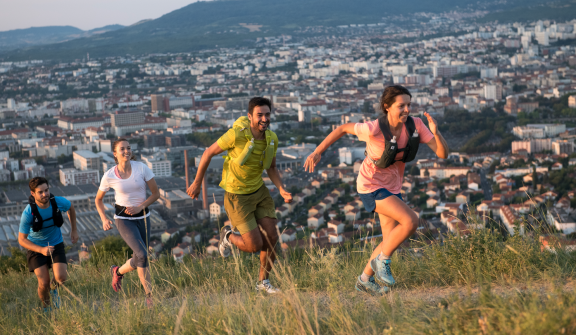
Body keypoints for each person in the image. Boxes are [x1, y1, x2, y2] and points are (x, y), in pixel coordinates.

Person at [304, 85, 449, 295]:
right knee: (411, 221)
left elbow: (442, 153)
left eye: (409, 104)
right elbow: (342, 128)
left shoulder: (415, 125)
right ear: (387, 107)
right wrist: (317, 151)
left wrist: (436, 133)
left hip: (392, 187)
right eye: (401, 105)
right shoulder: (374, 128)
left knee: (389, 240)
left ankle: (364, 280)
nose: (407, 109)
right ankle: (383, 261)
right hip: (370, 185)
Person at [187, 97, 292, 294]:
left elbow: (271, 167)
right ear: (250, 116)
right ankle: (227, 236)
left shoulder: (271, 139)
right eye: (259, 115)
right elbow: (208, 153)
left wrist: (281, 188)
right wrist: (196, 182)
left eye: (267, 114)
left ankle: (263, 282)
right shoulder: (236, 135)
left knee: (272, 238)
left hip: (259, 191)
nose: (264, 119)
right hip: (237, 196)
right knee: (254, 246)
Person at [95, 138, 160, 308]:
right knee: (143, 255)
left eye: (129, 148)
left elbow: (155, 194)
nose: (127, 151)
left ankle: (117, 271)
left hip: (143, 217)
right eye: (122, 149)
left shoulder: (142, 168)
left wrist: (141, 207)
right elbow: (98, 200)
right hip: (123, 219)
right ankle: (149, 297)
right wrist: (104, 218)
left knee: (139, 257)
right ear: (115, 154)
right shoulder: (109, 175)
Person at [18, 177, 78, 312]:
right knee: (43, 282)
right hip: (36, 248)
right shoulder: (28, 213)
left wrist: (74, 230)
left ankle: (54, 288)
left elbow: (71, 207)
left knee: (61, 278)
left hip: (56, 243)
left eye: (47, 190)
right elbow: (22, 240)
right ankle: (47, 308)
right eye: (40, 192)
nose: (45, 194)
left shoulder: (57, 202)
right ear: (32, 193)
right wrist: (41, 249)